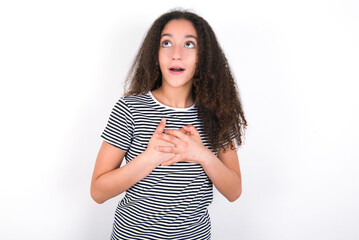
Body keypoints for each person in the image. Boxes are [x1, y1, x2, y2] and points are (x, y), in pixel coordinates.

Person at [90, 9, 247, 240]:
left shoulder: (217, 113)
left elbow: (234, 191)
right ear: (155, 53)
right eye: (166, 43)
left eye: (189, 44)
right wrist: (149, 158)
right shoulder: (130, 109)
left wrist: (202, 154)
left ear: (203, 56)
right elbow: (98, 191)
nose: (176, 54)